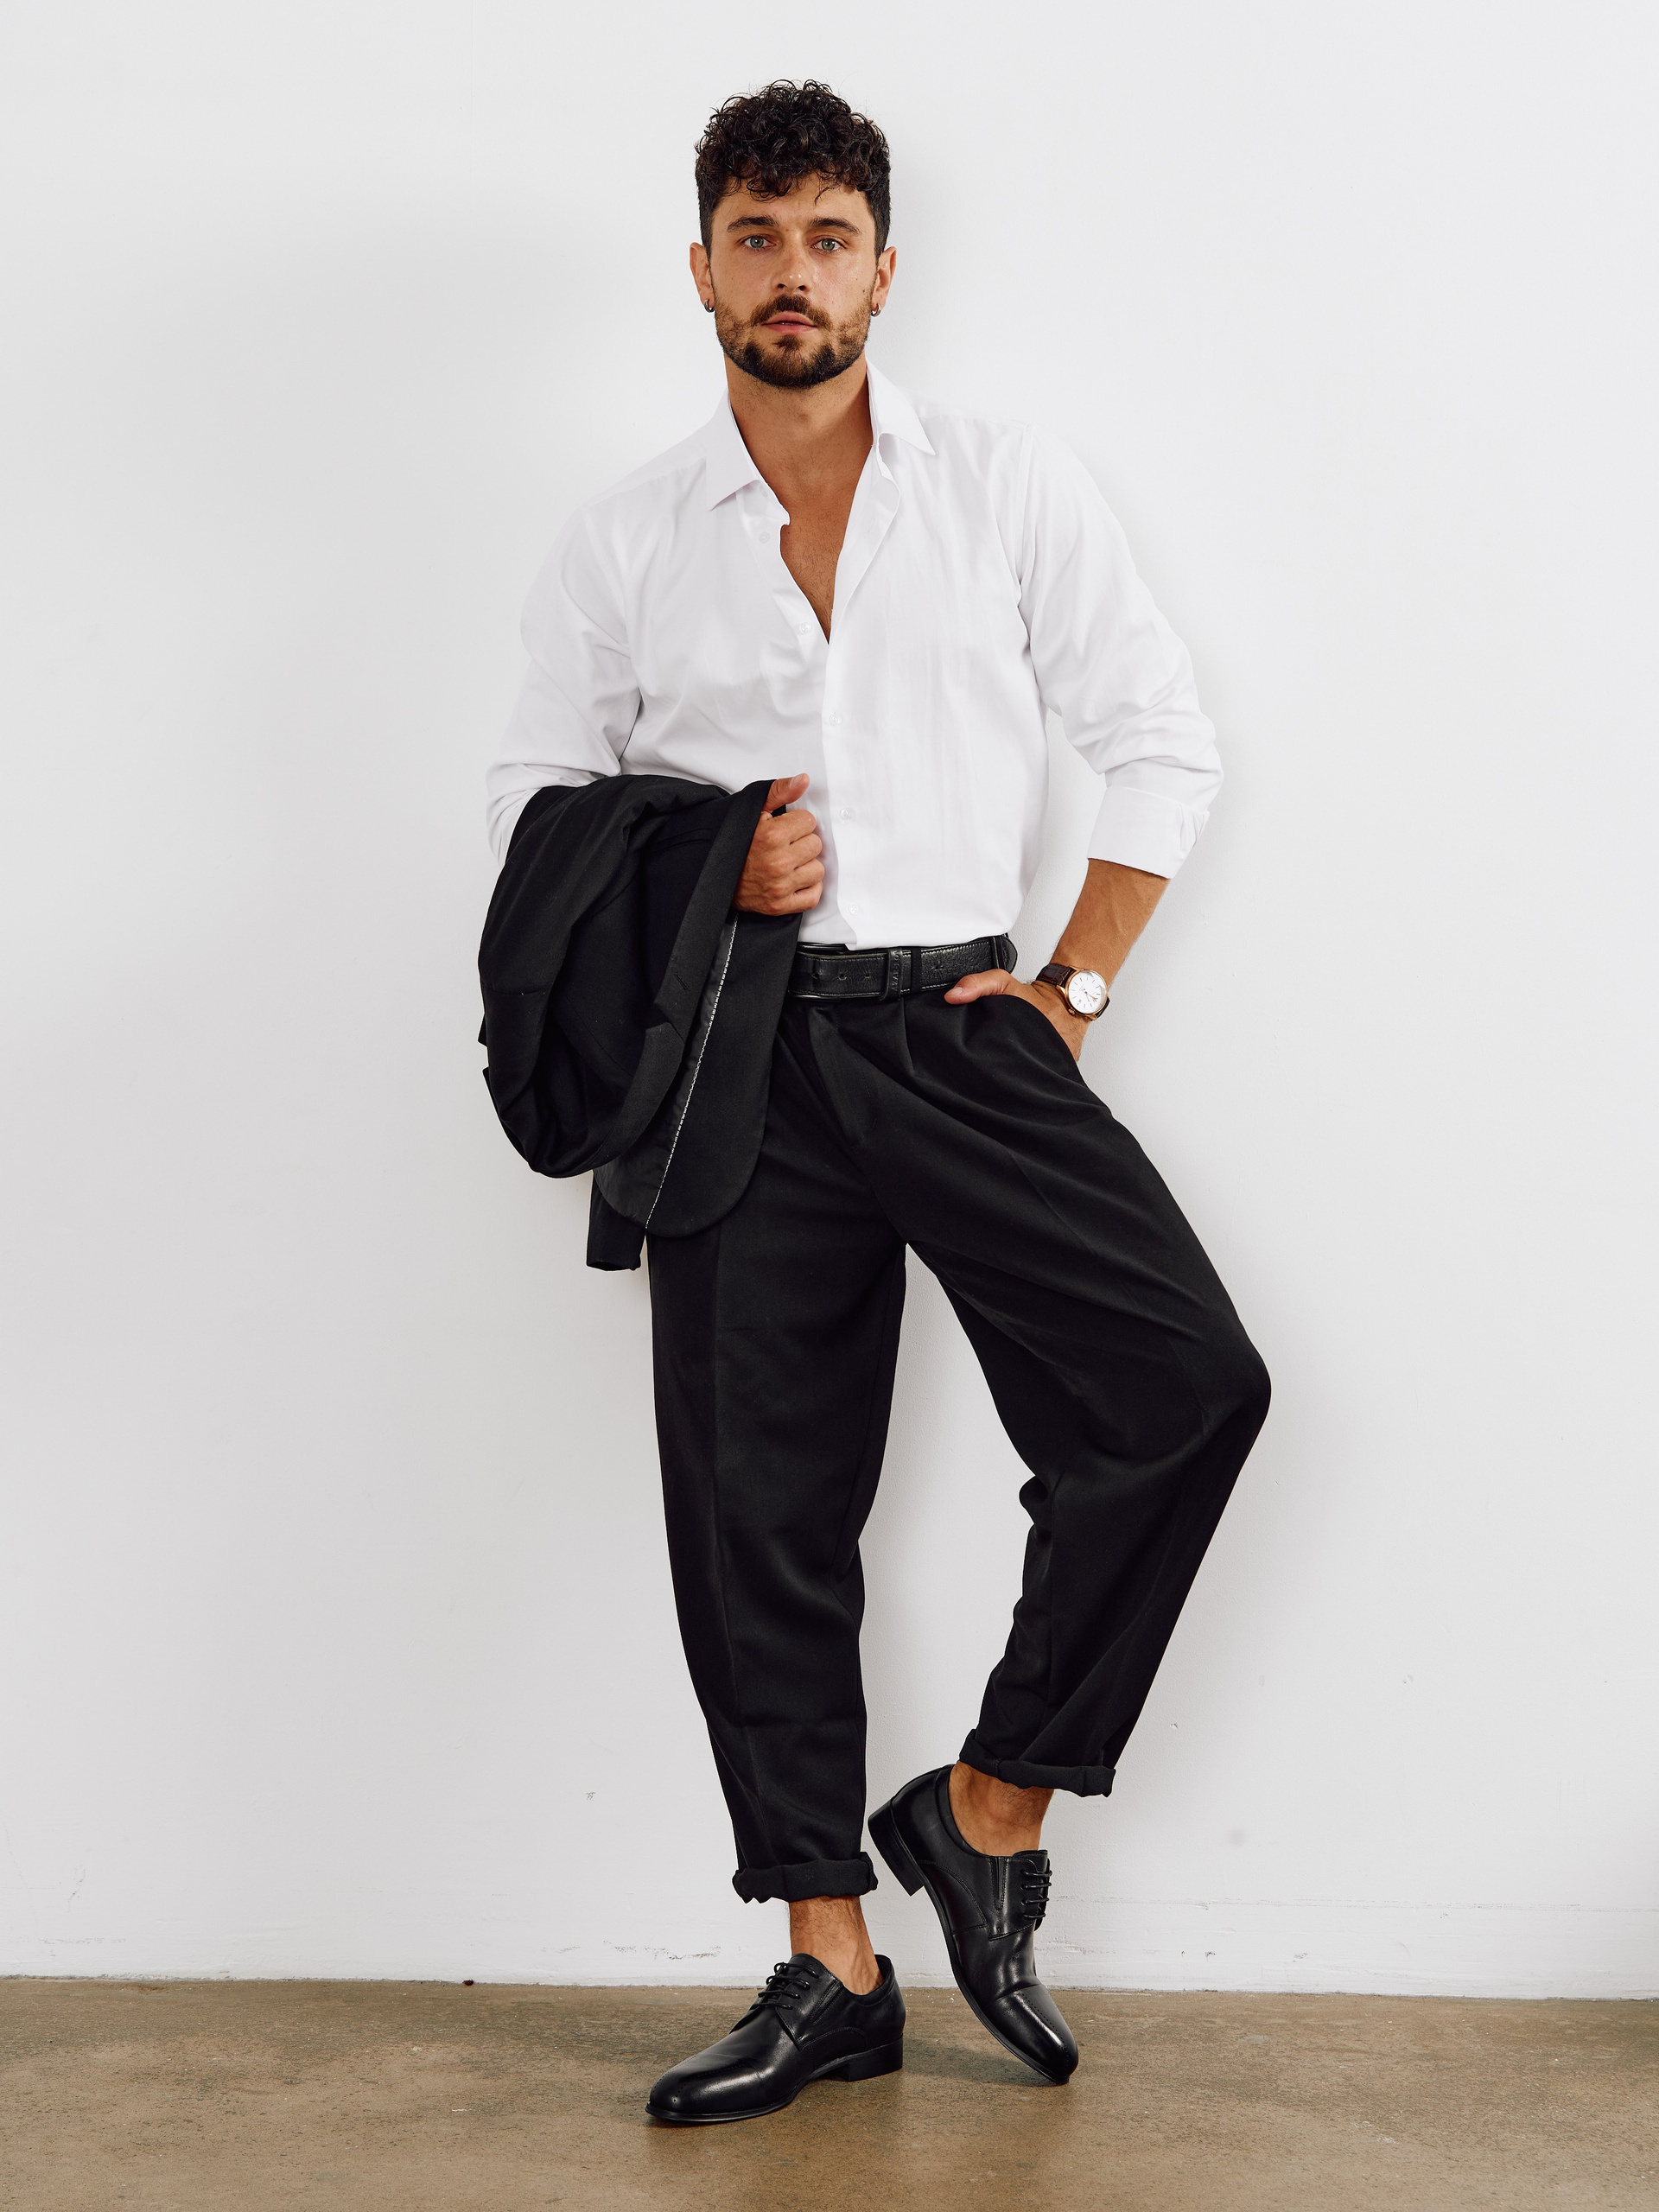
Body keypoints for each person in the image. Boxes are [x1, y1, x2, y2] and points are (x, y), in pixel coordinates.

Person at [486, 79, 1270, 2125]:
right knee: (760, 1509)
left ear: (884, 270)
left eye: (826, 238)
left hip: (965, 1024)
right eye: (756, 238)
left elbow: (1160, 739)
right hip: (741, 1050)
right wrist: (709, 861)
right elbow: (530, 811)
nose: (793, 273)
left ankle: (988, 1807)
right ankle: (828, 1957)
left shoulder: (1003, 483)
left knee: (1186, 1385)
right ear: (701, 270)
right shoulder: (628, 535)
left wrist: (1073, 985)